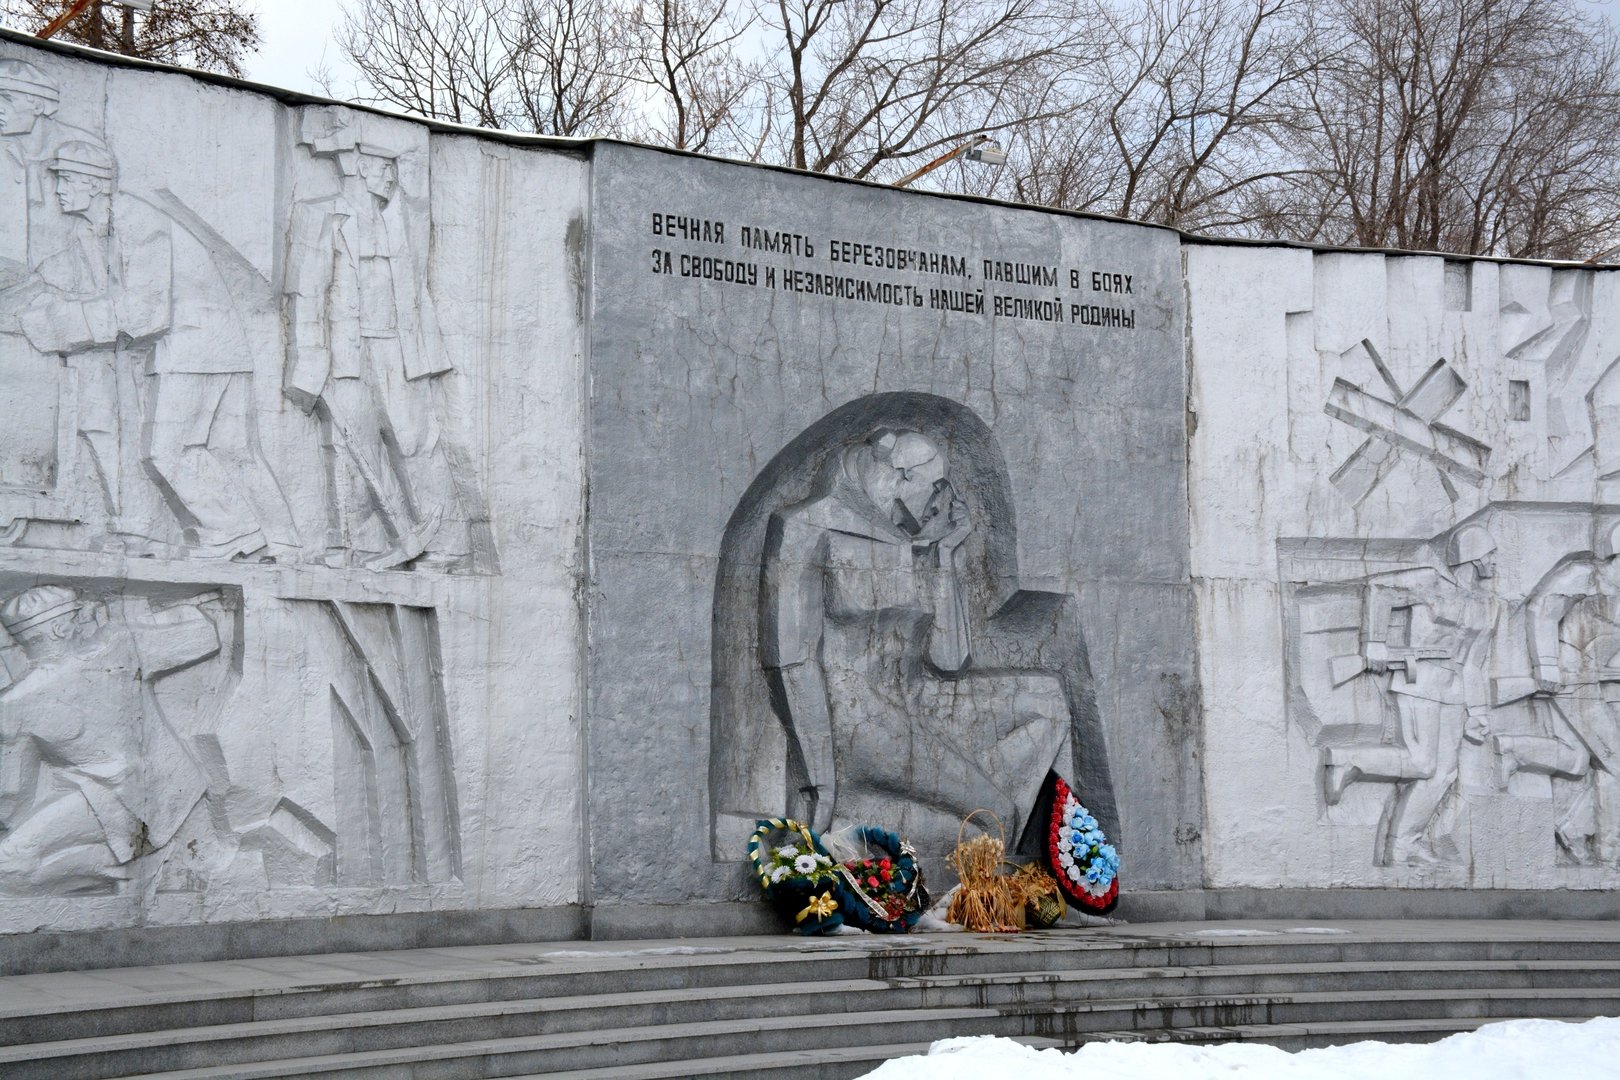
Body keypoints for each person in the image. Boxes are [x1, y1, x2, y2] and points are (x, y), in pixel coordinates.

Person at [762, 429, 1073, 859]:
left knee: (1049, 701)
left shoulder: (915, 541)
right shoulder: (805, 524)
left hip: (919, 701)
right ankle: (911, 846)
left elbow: (948, 661)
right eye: (935, 487)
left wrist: (944, 555)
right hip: (858, 716)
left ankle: (971, 843)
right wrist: (820, 783)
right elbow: (790, 663)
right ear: (901, 476)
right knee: (993, 814)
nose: (939, 499)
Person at [1, 140, 293, 558]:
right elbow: (65, 271)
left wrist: (61, 322)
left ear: (95, 184)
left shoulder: (139, 222)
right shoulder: (95, 225)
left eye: (66, 180)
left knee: (167, 450)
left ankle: (234, 530)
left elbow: (145, 313)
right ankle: (285, 543)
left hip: (197, 346)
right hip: (203, 348)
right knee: (234, 451)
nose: (58, 190)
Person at [285, 123, 471, 570]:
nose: (391, 178)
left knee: (417, 441)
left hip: (396, 349)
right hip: (346, 353)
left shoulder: (397, 223)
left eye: (392, 168)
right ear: (360, 168)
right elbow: (307, 294)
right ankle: (354, 545)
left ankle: (447, 545)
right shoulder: (323, 217)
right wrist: (312, 364)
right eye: (383, 168)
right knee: (350, 444)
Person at [0, 585, 214, 895]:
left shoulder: (12, 705)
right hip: (144, 790)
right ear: (60, 628)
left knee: (9, 865)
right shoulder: (117, 645)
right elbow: (204, 634)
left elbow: (14, 800)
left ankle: (129, 871)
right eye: (78, 616)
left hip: (137, 793)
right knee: (10, 865)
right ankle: (133, 873)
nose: (87, 620)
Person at [1323, 523, 1501, 865]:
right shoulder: (1430, 581)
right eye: (1490, 554)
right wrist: (1373, 643)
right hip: (1418, 680)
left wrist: (1477, 710)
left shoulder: (1487, 605)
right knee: (1421, 763)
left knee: (1444, 773)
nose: (1494, 561)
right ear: (1473, 557)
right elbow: (1380, 588)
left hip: (1455, 690)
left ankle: (1404, 846)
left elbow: (1475, 664)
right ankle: (1349, 760)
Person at [1493, 519, 1620, 863]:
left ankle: (1512, 751)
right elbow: (1543, 610)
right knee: (1616, 761)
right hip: (1572, 679)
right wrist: (1546, 664)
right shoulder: (1585, 574)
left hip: (1598, 679)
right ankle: (1610, 854)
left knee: (1578, 761)